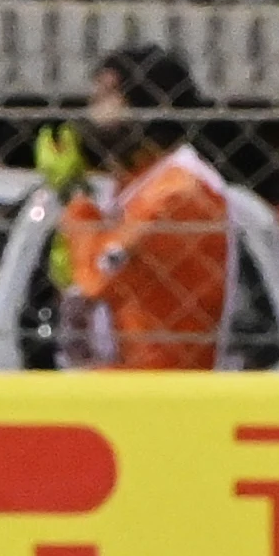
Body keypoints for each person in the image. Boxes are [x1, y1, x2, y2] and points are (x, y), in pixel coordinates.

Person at [46, 43, 237, 369]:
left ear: (149, 105)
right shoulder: (134, 184)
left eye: (106, 97)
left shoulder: (178, 191)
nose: (91, 112)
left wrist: (74, 198)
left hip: (165, 384)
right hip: (126, 376)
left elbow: (94, 279)